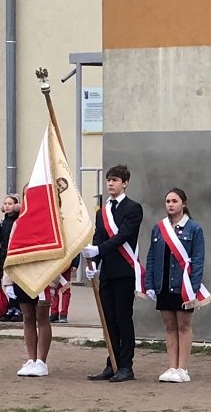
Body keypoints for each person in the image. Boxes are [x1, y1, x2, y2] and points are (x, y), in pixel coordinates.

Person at [82, 164, 143, 383]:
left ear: (125, 183)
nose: (110, 183)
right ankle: (112, 363)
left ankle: (126, 365)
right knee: (109, 320)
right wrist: (94, 263)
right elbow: (99, 236)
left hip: (125, 271)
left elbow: (123, 236)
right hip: (107, 271)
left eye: (115, 180)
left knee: (123, 319)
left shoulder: (133, 208)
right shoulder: (103, 210)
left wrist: (99, 250)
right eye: (108, 180)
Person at [145, 188, 205, 383]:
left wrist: (194, 287)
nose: (170, 204)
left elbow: (198, 259)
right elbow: (152, 256)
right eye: (168, 201)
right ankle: (172, 366)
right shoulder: (158, 228)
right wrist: (150, 284)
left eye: (174, 201)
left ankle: (183, 368)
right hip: (163, 284)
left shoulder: (194, 229)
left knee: (183, 326)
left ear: (184, 204)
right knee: (169, 326)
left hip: (183, 285)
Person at [4, 274, 53, 377]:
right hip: (22, 278)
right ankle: (32, 360)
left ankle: (41, 362)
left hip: (43, 278)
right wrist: (8, 282)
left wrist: (53, 283)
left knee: (42, 318)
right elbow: (10, 259)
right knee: (27, 318)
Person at [0, 193, 22, 322]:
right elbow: (1, 241)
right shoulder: (3, 221)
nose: (7, 206)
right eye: (5, 204)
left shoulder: (18, 221)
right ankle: (11, 306)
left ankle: (19, 309)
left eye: (10, 204)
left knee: (15, 282)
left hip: (15, 255)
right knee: (6, 283)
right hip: (4, 255)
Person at [49, 254, 81, 324]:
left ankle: (63, 314)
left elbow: (75, 249)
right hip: (55, 264)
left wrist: (75, 264)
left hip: (66, 265)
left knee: (65, 290)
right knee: (53, 289)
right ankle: (54, 313)